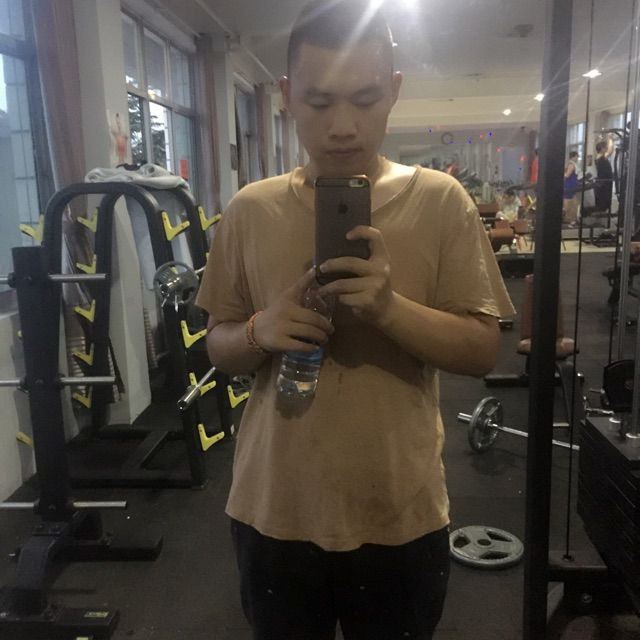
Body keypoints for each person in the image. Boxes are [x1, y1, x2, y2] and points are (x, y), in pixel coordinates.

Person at [196, 2, 514, 638]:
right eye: (318, 102)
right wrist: (262, 330)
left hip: (399, 511)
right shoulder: (251, 209)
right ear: (287, 95)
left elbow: (483, 350)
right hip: (274, 508)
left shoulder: (440, 201)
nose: (342, 126)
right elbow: (219, 348)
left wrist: (389, 309)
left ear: (393, 90)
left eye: (365, 99)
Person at [594, 137, 614, 213]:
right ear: (602, 149)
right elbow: (610, 151)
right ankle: (602, 212)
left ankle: (602, 211)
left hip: (605, 182)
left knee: (604, 200)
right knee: (604, 200)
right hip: (604, 183)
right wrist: (610, 139)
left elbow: (609, 151)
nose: (606, 148)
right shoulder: (601, 157)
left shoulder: (601, 157)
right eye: (605, 147)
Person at [563, 150, 580, 226]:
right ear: (573, 157)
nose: (577, 158)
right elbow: (567, 175)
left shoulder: (573, 164)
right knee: (569, 203)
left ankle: (572, 219)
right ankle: (569, 219)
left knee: (574, 203)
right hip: (569, 186)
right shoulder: (571, 165)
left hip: (572, 185)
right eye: (576, 157)